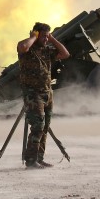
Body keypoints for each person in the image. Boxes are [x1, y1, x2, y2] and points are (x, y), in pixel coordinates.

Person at [17, 22, 70, 169]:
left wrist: (52, 38)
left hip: (47, 93)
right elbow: (23, 46)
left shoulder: (47, 50)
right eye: (44, 36)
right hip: (33, 94)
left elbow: (65, 54)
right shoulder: (27, 50)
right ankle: (31, 160)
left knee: (45, 127)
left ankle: (39, 158)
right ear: (36, 34)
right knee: (38, 126)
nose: (46, 39)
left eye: (48, 36)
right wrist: (34, 36)